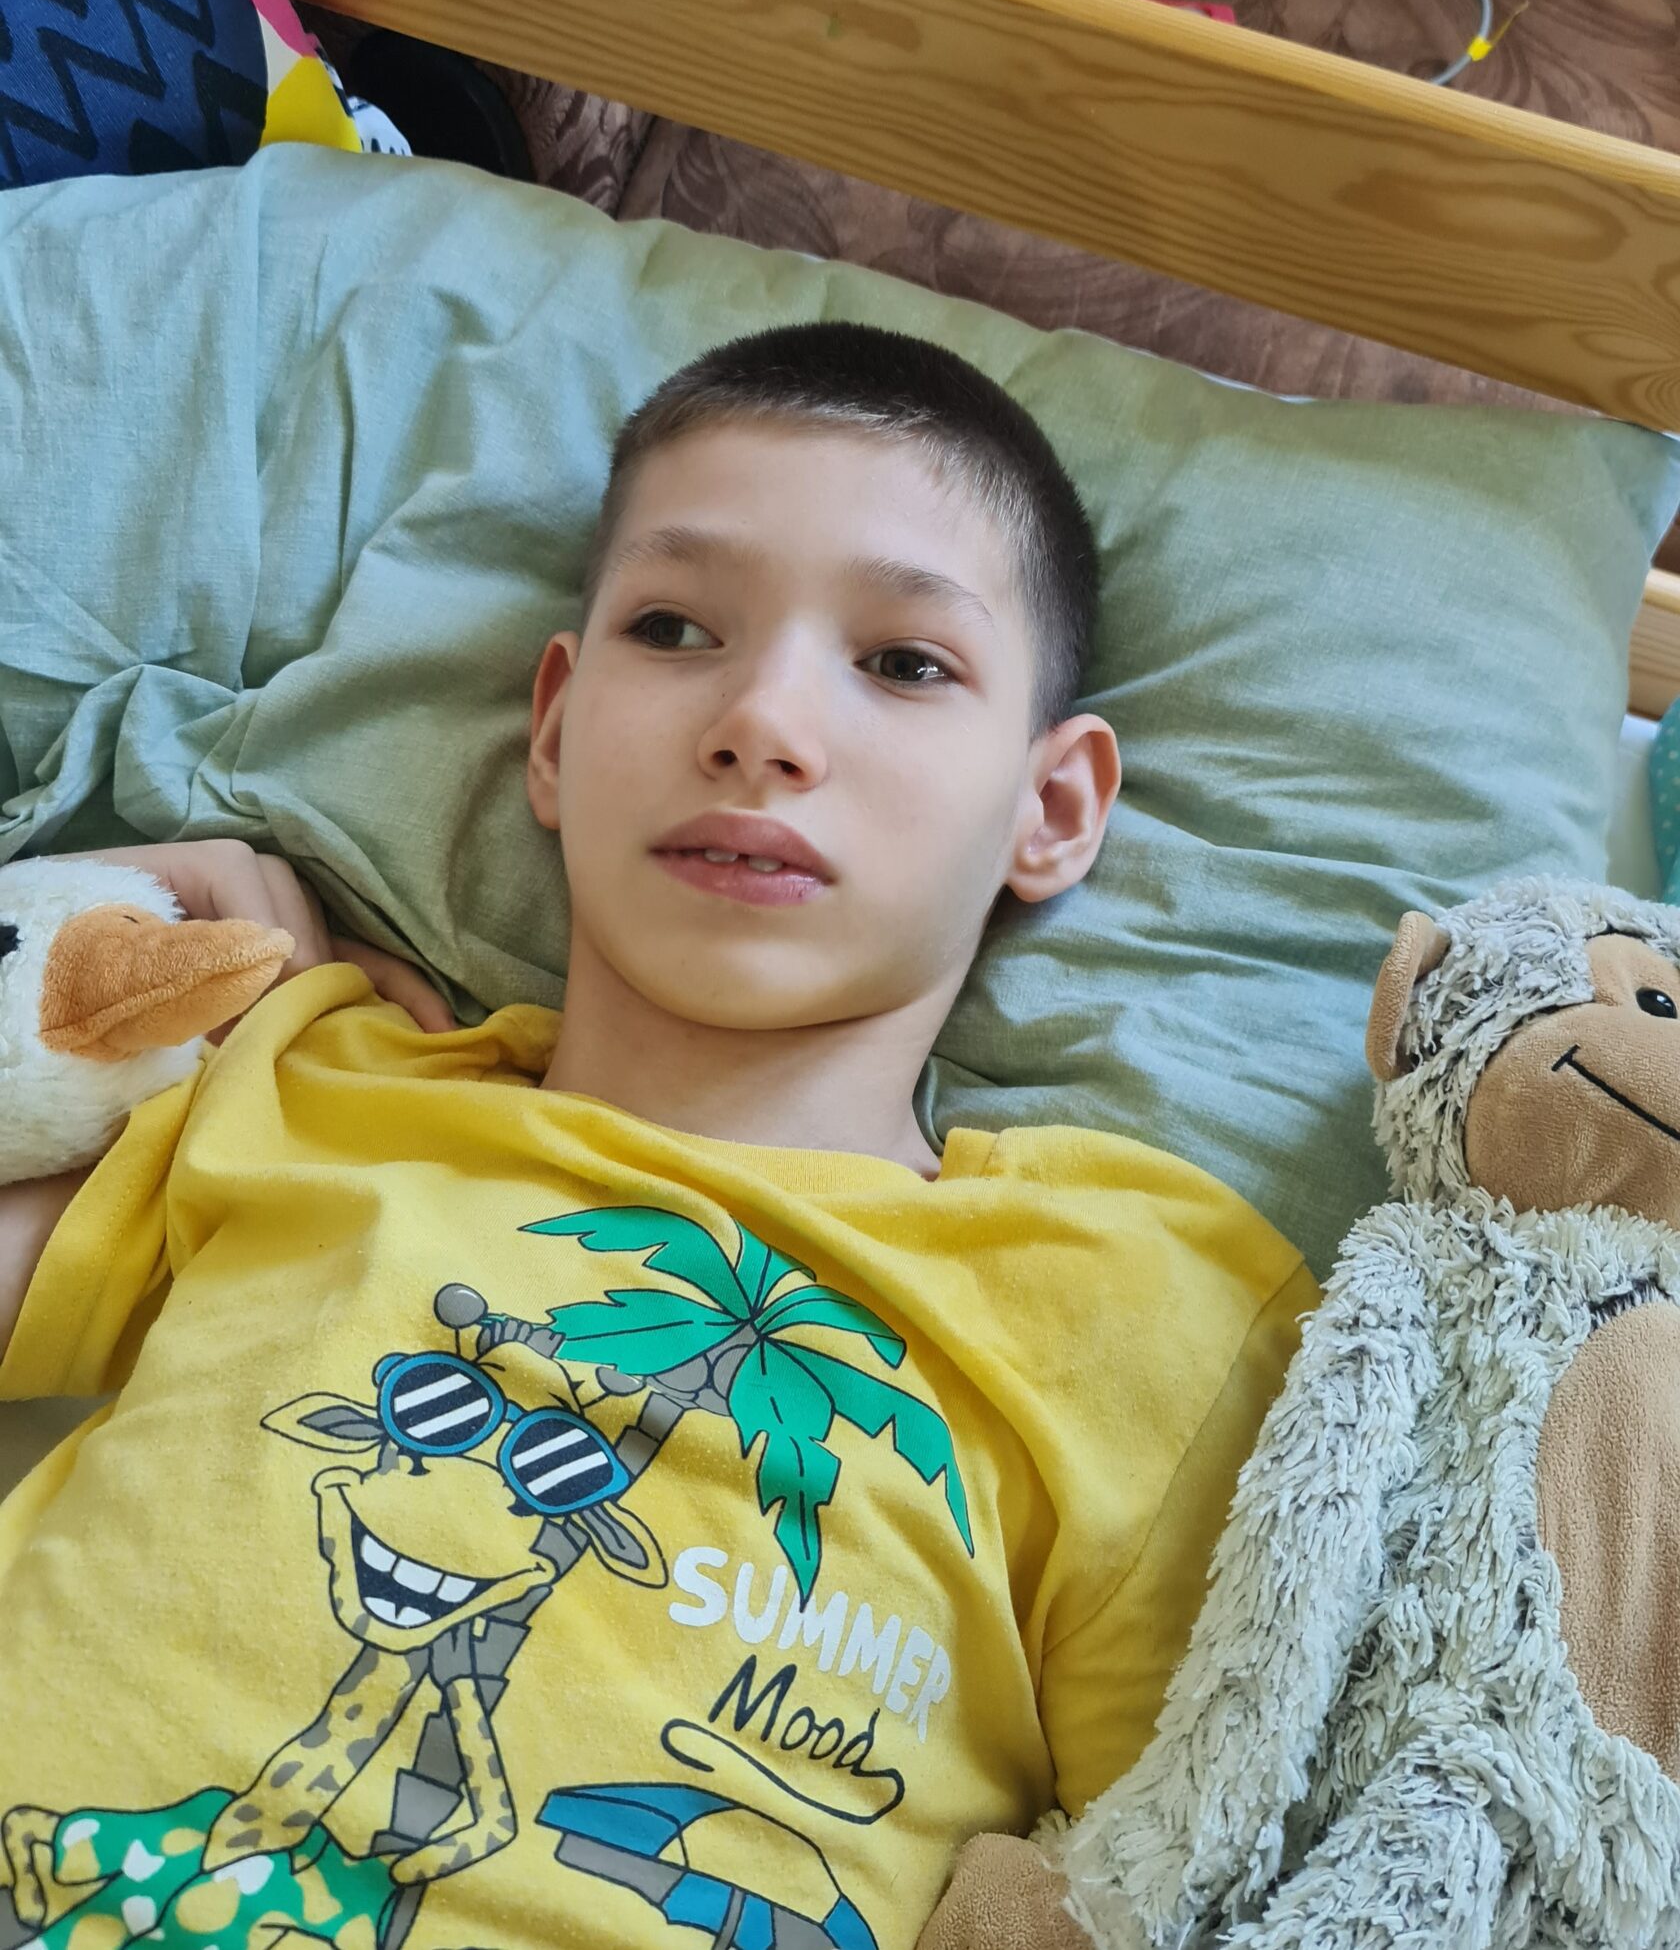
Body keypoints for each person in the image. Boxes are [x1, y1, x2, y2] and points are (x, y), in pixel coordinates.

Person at [0, 322, 1315, 1950]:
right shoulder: (310, 1086)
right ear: (555, 733)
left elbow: (1215, 1870)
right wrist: (127, 920)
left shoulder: (1147, 1306)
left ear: (1050, 809)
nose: (762, 721)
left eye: (905, 663)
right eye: (676, 628)